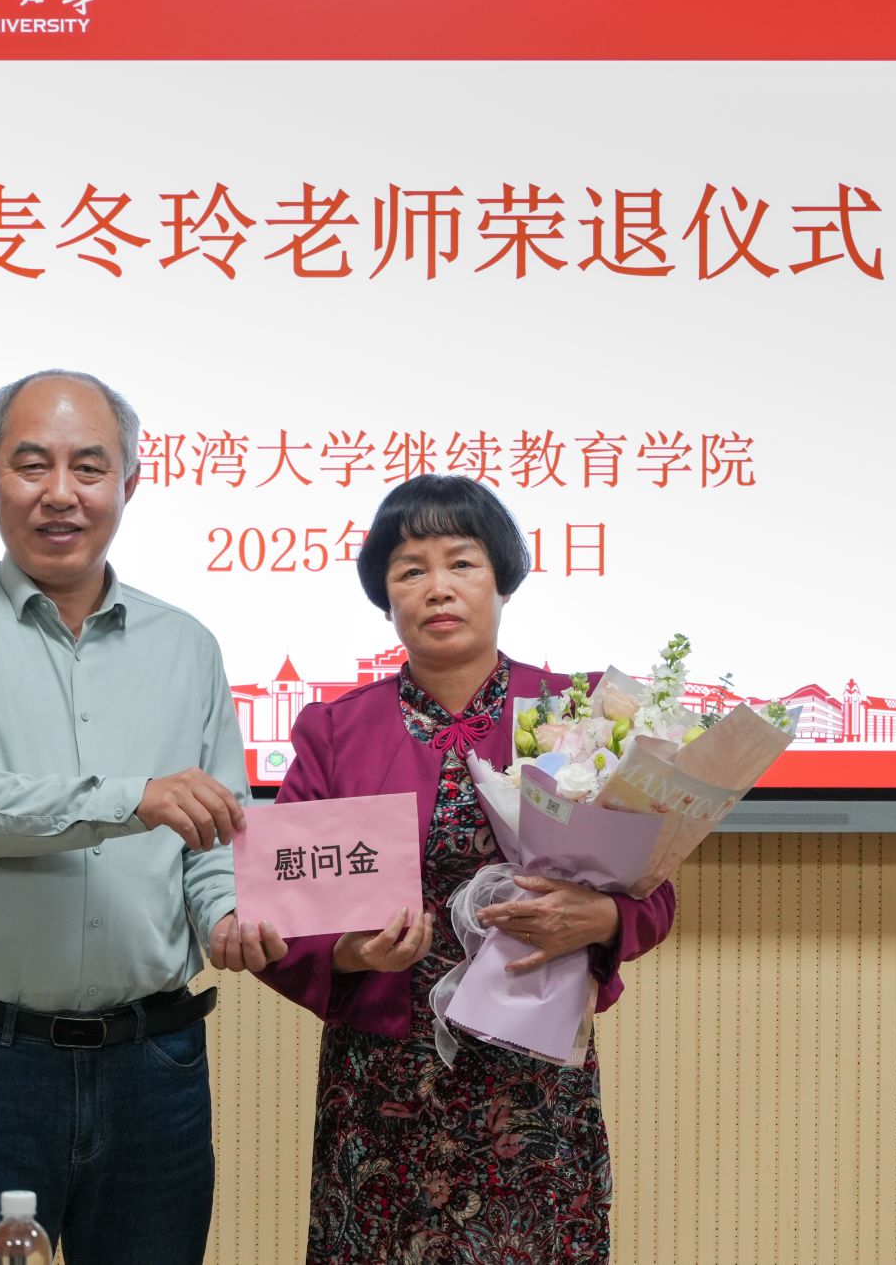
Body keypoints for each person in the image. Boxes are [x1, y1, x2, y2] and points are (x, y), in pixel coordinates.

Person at [0, 369, 286, 1265]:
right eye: (32, 465)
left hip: (156, 1065)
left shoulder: (188, 645)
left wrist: (227, 916)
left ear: (129, 483)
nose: (60, 493)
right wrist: (130, 798)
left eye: (89, 468)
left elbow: (216, 836)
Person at [255, 474, 678, 1263]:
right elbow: (281, 907)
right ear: (384, 596)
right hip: (384, 1079)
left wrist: (602, 919)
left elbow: (653, 889)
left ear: (502, 580)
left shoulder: (576, 714)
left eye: (461, 562)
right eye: (410, 570)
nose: (438, 587)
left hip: (531, 1075)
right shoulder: (335, 731)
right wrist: (349, 952)